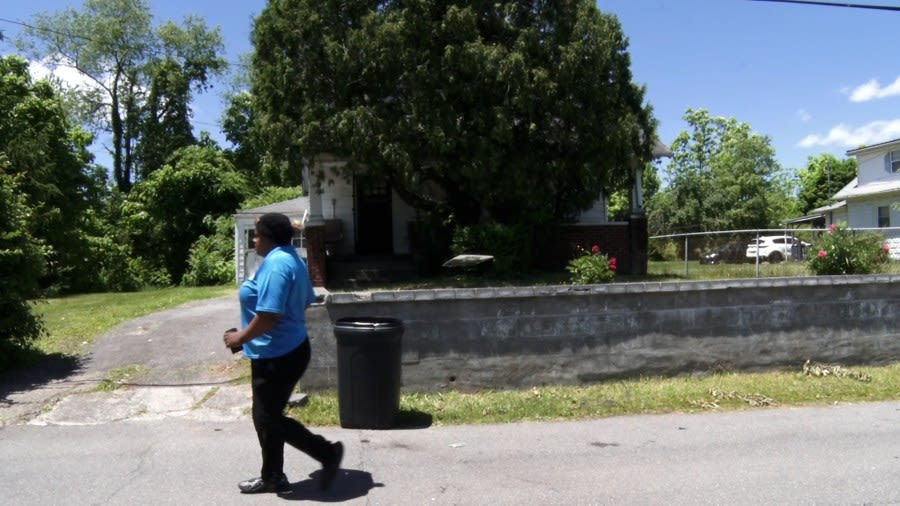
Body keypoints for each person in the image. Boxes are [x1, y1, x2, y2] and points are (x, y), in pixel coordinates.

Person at [223, 212, 343, 494]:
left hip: (278, 356)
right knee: (265, 416)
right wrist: (249, 339)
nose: (253, 240)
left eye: (256, 235)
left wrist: (241, 336)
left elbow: (269, 315)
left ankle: (326, 453)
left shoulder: (277, 265)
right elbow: (296, 304)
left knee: (268, 419)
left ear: (267, 237)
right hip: (281, 350)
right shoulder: (290, 259)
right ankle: (273, 476)